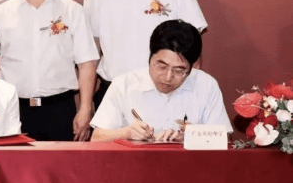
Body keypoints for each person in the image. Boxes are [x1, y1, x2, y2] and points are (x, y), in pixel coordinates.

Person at [0, 0, 99, 141]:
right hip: (14, 110)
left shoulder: (72, 11)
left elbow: (86, 63)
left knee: (60, 162)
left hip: (59, 110)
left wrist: (85, 108)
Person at [91, 20, 232, 142]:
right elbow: (96, 138)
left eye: (179, 70)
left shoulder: (206, 85)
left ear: (192, 67)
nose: (168, 77)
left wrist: (191, 138)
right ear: (150, 57)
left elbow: (224, 139)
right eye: (161, 66)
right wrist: (126, 133)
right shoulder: (124, 84)